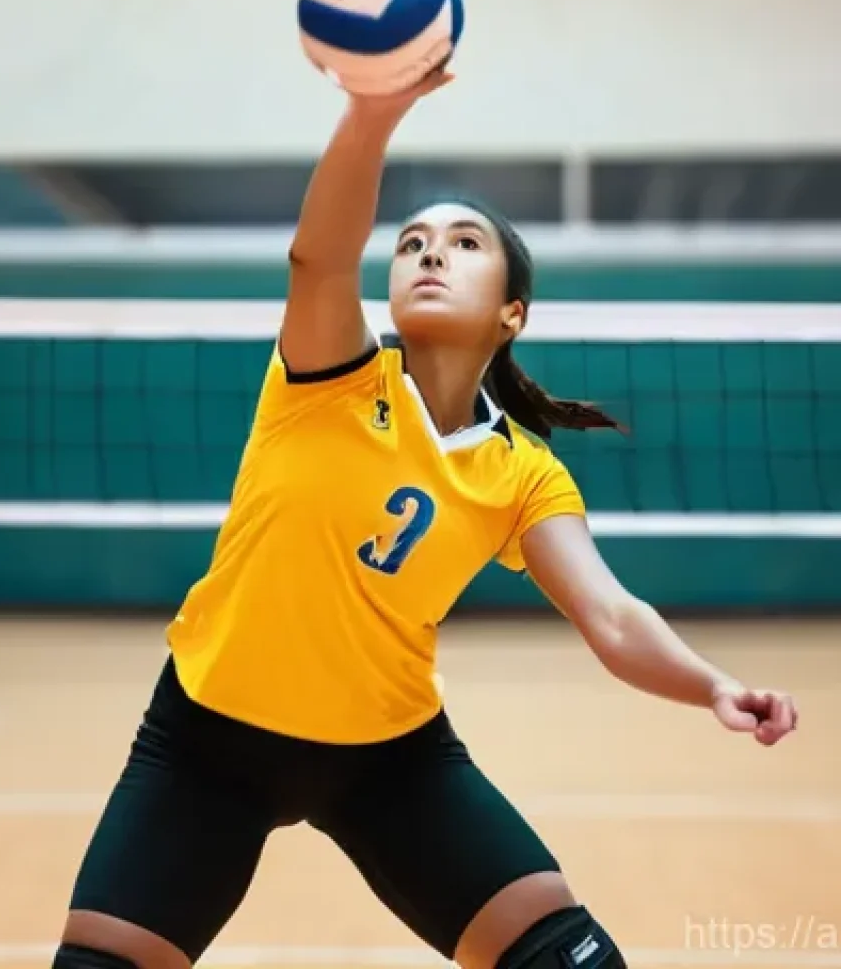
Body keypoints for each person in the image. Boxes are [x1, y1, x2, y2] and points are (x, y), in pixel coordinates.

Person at [51, 70, 798, 969]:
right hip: (208, 742)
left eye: (464, 242)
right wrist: (373, 114)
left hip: (389, 761)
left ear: (512, 312)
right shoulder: (330, 377)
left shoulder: (523, 472)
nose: (430, 254)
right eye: (411, 243)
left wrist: (710, 685)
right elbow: (320, 260)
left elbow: (610, 614)